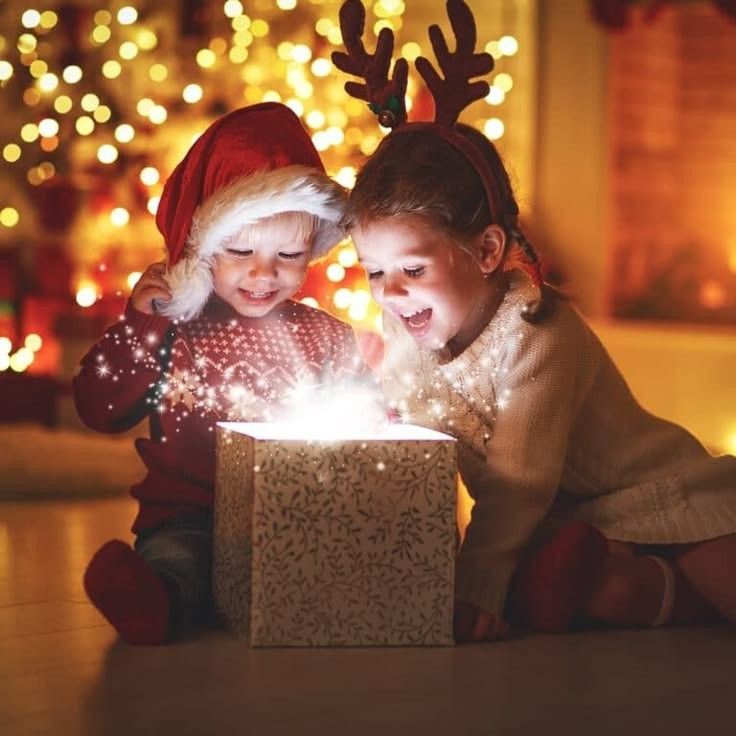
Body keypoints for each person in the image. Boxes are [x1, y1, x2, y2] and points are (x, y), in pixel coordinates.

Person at [333, 0, 736, 642]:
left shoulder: (538, 333)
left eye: (412, 268)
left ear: (487, 252)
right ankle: (648, 590)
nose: (390, 293)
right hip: (564, 526)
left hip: (655, 493)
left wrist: (476, 585)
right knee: (592, 589)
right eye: (374, 271)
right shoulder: (410, 343)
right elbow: (403, 442)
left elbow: (520, 479)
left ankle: (673, 583)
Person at [74, 102, 370, 645]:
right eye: (238, 251)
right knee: (181, 562)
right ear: (202, 249)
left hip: (294, 518)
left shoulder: (328, 337)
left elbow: (371, 422)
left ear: (313, 252)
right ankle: (154, 599)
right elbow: (101, 407)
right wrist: (143, 324)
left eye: (288, 253)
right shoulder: (173, 328)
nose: (264, 272)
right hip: (190, 515)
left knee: (337, 565)